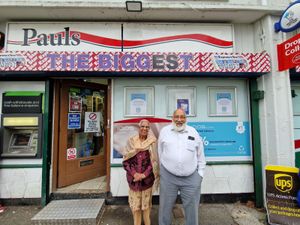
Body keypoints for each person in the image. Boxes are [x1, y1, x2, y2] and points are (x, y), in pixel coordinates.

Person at [158, 108, 206, 225]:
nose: (179, 120)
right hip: (168, 177)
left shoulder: (193, 132)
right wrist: (162, 171)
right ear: (172, 118)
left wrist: (200, 174)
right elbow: (160, 152)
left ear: (186, 119)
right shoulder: (165, 131)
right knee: (165, 208)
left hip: (191, 178)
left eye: (182, 117)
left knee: (192, 210)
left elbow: (200, 154)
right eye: (177, 117)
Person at [123, 119, 159, 225]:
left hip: (146, 182)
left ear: (149, 129)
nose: (144, 129)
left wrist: (144, 174)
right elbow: (126, 161)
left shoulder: (152, 141)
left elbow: (154, 161)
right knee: (136, 209)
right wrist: (135, 174)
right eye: (142, 126)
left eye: (147, 127)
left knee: (146, 209)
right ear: (138, 128)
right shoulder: (131, 141)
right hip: (134, 182)